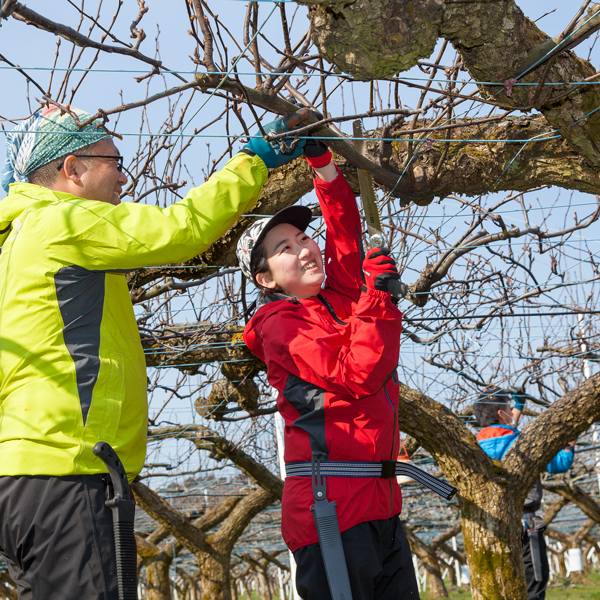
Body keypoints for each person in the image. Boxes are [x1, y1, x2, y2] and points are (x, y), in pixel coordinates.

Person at [0, 104, 305, 600]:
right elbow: (182, 228)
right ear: (71, 170)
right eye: (113, 162)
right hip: (70, 470)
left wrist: (33, 137)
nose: (125, 177)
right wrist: (257, 157)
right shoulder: (64, 221)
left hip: (20, 477)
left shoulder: (15, 238)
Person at [237, 140, 419, 599]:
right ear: (266, 279)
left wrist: (323, 165)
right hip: (332, 511)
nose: (304, 249)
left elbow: (344, 232)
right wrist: (378, 297)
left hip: (379, 504)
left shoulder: (337, 297)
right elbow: (359, 373)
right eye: (285, 248)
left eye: (303, 238)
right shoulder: (280, 326)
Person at [472, 388, 575, 600]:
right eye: (509, 408)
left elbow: (504, 434)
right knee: (534, 581)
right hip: (525, 523)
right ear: (502, 414)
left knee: (502, 582)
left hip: (490, 524)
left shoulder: (475, 445)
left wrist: (518, 406)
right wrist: (569, 443)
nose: (512, 411)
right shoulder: (524, 444)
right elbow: (560, 464)